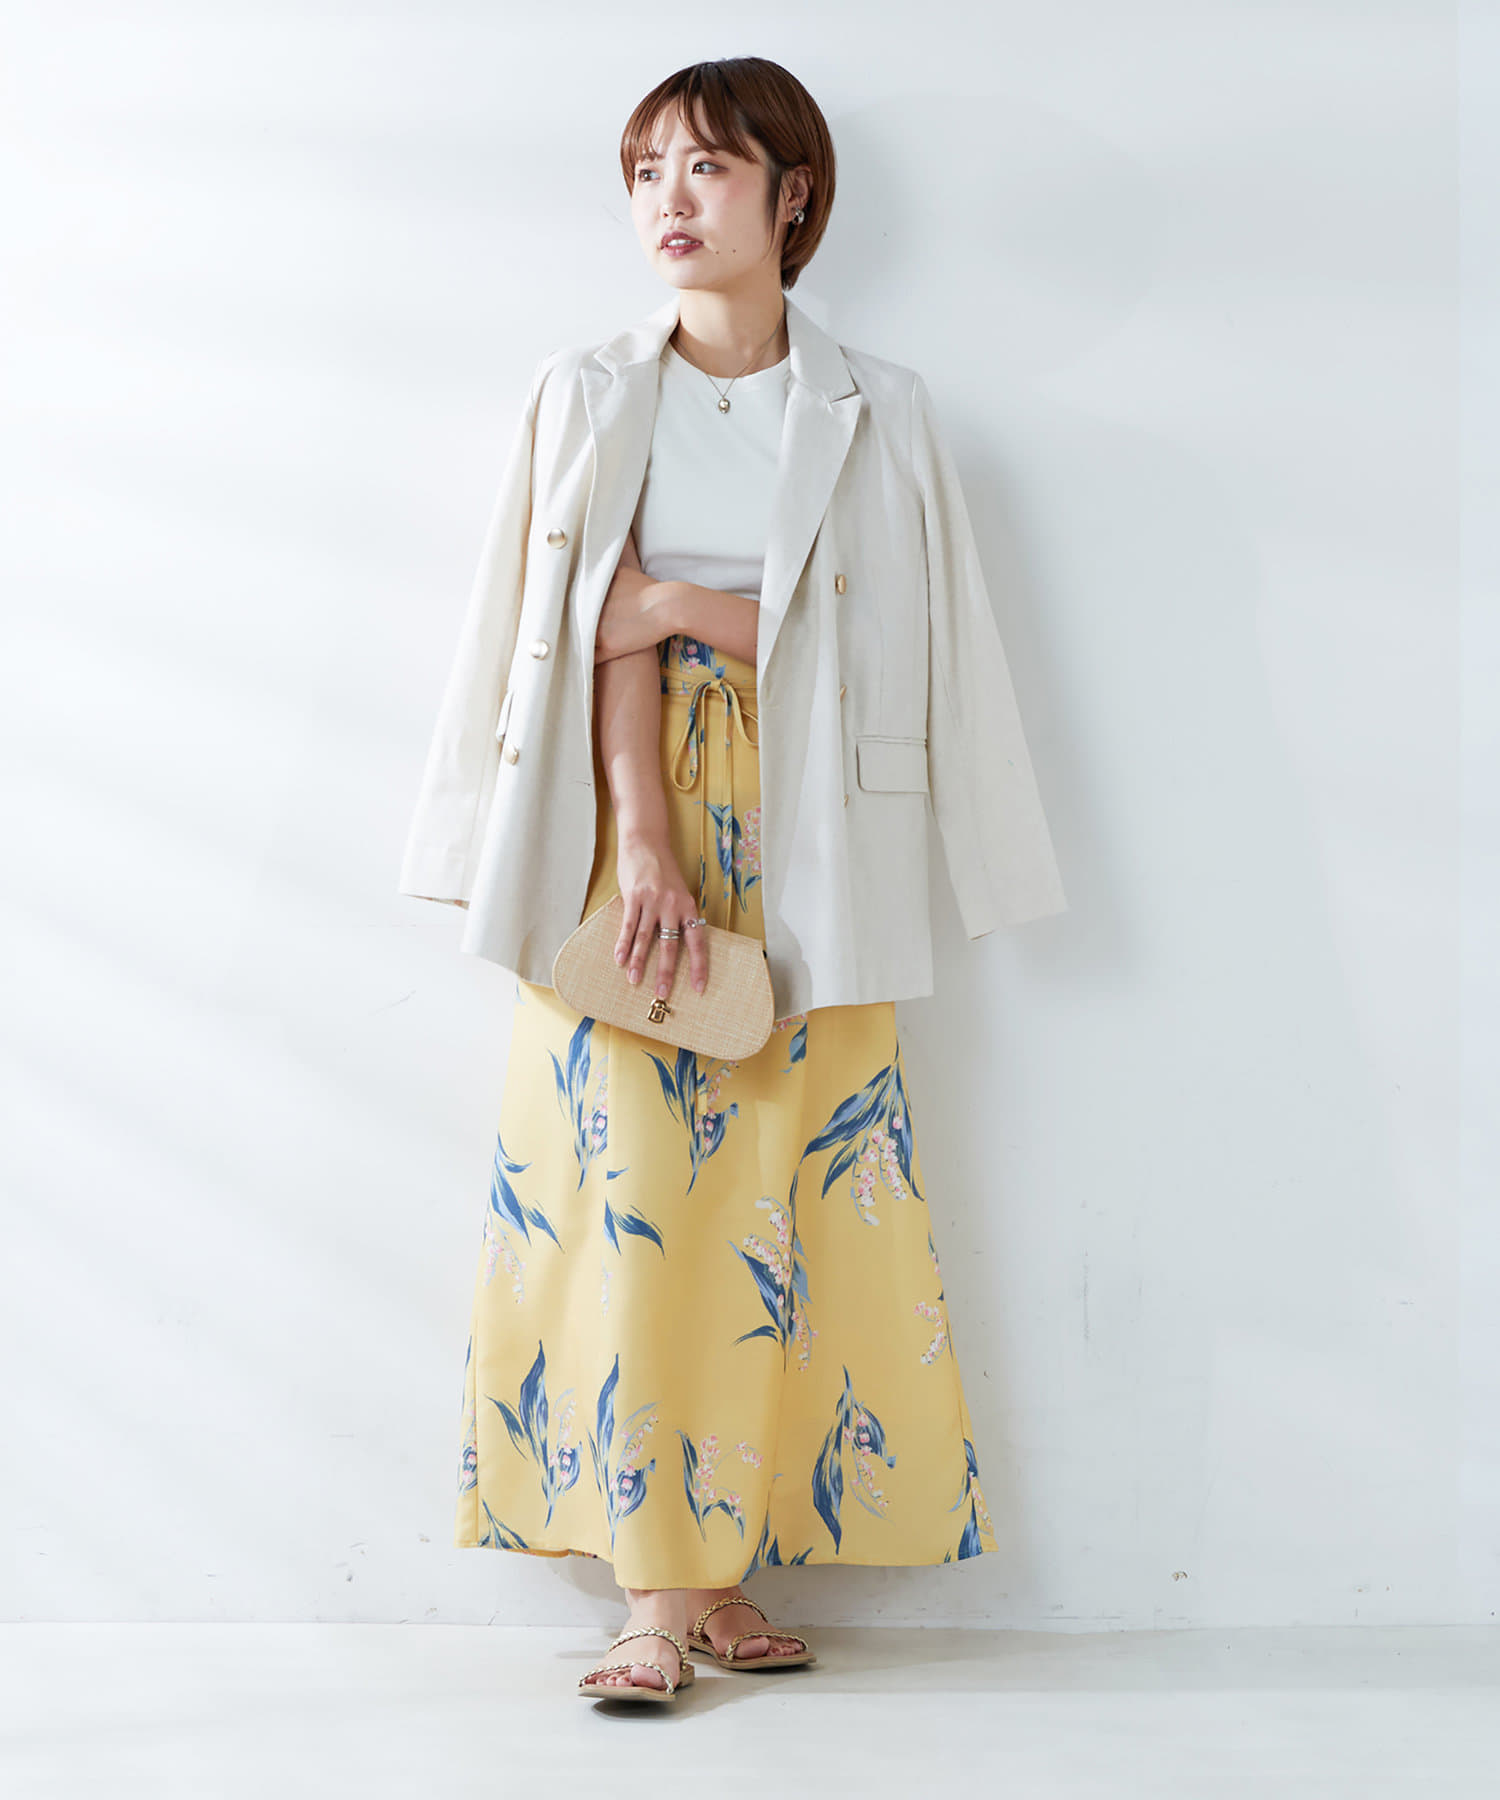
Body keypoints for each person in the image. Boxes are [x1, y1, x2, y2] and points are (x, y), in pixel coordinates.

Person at [402, 57, 1068, 1706]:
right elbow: (563, 633)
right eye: (645, 172)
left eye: (706, 166)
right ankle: (656, 1595)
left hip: (820, 833)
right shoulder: (585, 393)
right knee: (630, 1195)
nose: (670, 201)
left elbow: (906, 649)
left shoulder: (882, 409)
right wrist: (643, 837)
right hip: (624, 822)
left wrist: (689, 610)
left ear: (794, 195)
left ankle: (714, 1578)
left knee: (784, 1197)